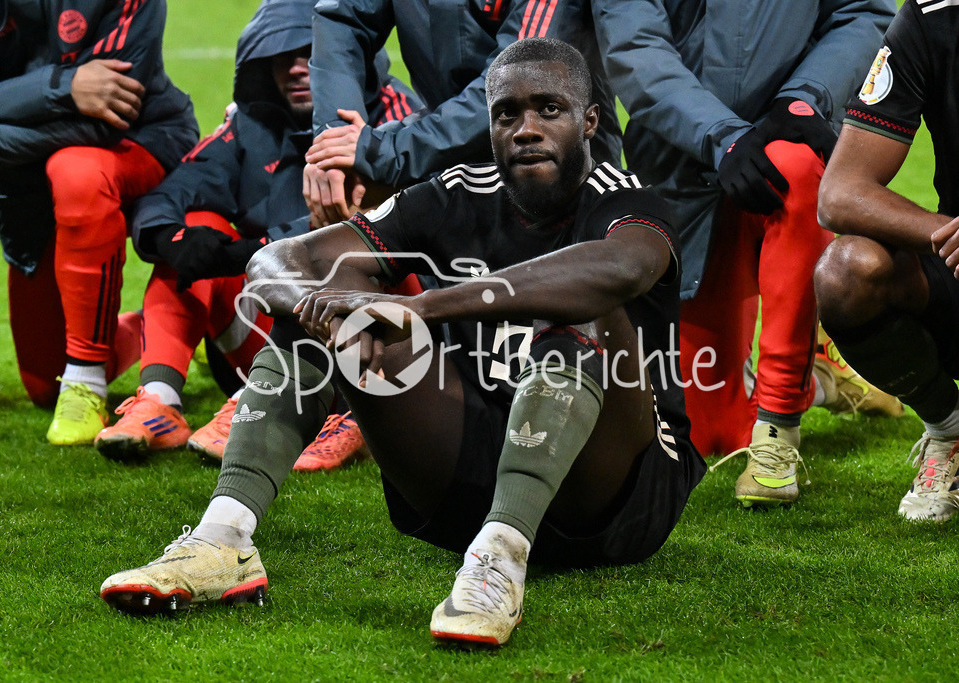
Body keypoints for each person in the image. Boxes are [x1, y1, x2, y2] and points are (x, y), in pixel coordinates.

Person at [99, 38, 705, 647]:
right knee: (327, 303)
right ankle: (222, 537)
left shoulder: (629, 201)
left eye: (549, 109)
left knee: (584, 313)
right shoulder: (458, 190)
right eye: (507, 114)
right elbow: (280, 261)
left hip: (614, 496)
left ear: (590, 121)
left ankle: (501, 558)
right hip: (473, 473)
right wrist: (334, 313)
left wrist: (419, 307)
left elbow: (619, 273)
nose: (525, 129)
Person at [595, 0, 898, 507]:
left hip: (788, 137)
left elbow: (863, 12)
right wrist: (724, 137)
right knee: (707, 431)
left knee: (794, 170)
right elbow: (635, 49)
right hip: (682, 168)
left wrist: (804, 98)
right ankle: (821, 370)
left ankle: (779, 426)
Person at [92, 0, 420, 469]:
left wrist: (247, 252)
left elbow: (388, 227)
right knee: (199, 226)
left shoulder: (396, 117)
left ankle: (345, 414)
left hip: (391, 342)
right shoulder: (252, 121)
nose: (296, 68)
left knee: (368, 237)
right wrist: (170, 239)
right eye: (281, 56)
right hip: (270, 329)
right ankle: (160, 401)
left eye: (310, 53)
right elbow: (179, 187)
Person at [0, 0, 198, 444]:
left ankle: (87, 380)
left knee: (76, 171)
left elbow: (109, 120)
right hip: (28, 179)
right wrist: (63, 87)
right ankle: (143, 331)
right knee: (41, 382)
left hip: (141, 143)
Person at [815, 0, 959, 522]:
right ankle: (950, 428)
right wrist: (947, 235)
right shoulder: (934, 14)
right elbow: (840, 193)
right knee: (847, 272)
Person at [302, 0, 622, 228]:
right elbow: (342, 19)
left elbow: (519, 80)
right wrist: (334, 142)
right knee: (342, 196)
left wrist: (384, 152)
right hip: (440, 151)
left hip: (549, 170)